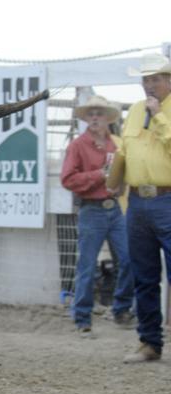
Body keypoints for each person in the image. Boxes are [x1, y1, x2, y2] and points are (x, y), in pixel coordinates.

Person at [106, 54, 171, 363]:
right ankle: (150, 343)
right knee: (143, 276)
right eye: (145, 80)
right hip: (137, 203)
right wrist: (114, 178)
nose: (149, 85)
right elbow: (124, 150)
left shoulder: (159, 112)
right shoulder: (134, 111)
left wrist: (158, 117)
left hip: (168, 198)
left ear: (169, 80)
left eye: (155, 79)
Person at [59, 95, 135, 337]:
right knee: (87, 266)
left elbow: (124, 173)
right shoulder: (78, 146)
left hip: (114, 209)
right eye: (91, 114)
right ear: (86, 118)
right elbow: (67, 179)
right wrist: (100, 175)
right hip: (91, 209)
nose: (94, 117)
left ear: (106, 119)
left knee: (129, 259)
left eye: (99, 113)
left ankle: (120, 308)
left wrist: (118, 183)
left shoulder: (117, 144)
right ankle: (82, 317)